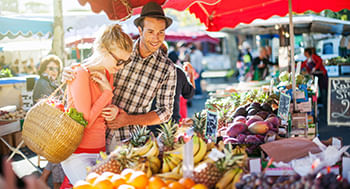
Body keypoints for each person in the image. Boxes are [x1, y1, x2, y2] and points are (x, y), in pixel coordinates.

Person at [62, 2, 177, 152]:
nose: (156, 38)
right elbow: (90, 67)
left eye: (161, 32)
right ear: (140, 30)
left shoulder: (168, 69)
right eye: (150, 32)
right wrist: (69, 72)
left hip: (130, 139)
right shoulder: (121, 50)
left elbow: (165, 112)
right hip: (96, 134)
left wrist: (128, 119)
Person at [60, 24, 133, 186]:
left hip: (99, 150)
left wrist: (115, 110)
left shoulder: (107, 72)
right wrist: (107, 93)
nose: (121, 67)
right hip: (78, 153)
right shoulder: (80, 73)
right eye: (120, 61)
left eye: (125, 63)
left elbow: (100, 111)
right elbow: (84, 122)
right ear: (104, 51)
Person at [32, 55, 64, 189]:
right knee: (59, 152)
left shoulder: (52, 82)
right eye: (51, 68)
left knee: (59, 151)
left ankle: (44, 178)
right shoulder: (43, 83)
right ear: (44, 69)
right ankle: (55, 184)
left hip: (52, 124)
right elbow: (50, 105)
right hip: (45, 126)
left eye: (56, 69)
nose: (54, 71)